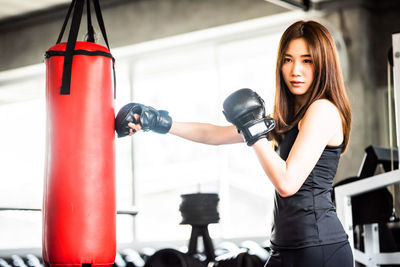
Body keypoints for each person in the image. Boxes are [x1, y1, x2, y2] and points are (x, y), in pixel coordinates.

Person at [115, 20, 353, 267]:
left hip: (319, 249)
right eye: (287, 59)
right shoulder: (288, 118)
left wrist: (254, 130)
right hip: (285, 248)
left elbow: (287, 183)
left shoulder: (322, 110)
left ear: (323, 64)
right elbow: (214, 135)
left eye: (307, 60)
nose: (295, 70)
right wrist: (158, 122)